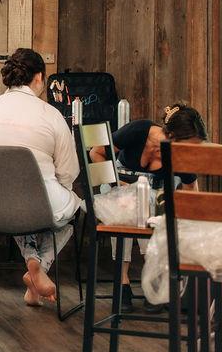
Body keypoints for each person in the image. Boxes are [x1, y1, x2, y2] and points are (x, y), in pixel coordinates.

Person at [0, 48, 82, 307]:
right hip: (34, 206)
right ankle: (39, 267)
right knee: (71, 210)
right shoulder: (50, 115)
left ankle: (33, 265)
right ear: (39, 77)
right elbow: (68, 172)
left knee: (17, 207)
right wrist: (58, 190)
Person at [88, 102, 207, 312]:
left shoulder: (180, 155)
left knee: (152, 209)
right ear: (172, 136)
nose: (189, 151)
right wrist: (116, 184)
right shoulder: (138, 130)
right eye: (188, 145)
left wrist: (188, 216)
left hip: (152, 197)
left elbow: (191, 188)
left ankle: (153, 281)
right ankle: (122, 281)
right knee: (126, 207)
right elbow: (96, 153)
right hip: (118, 189)